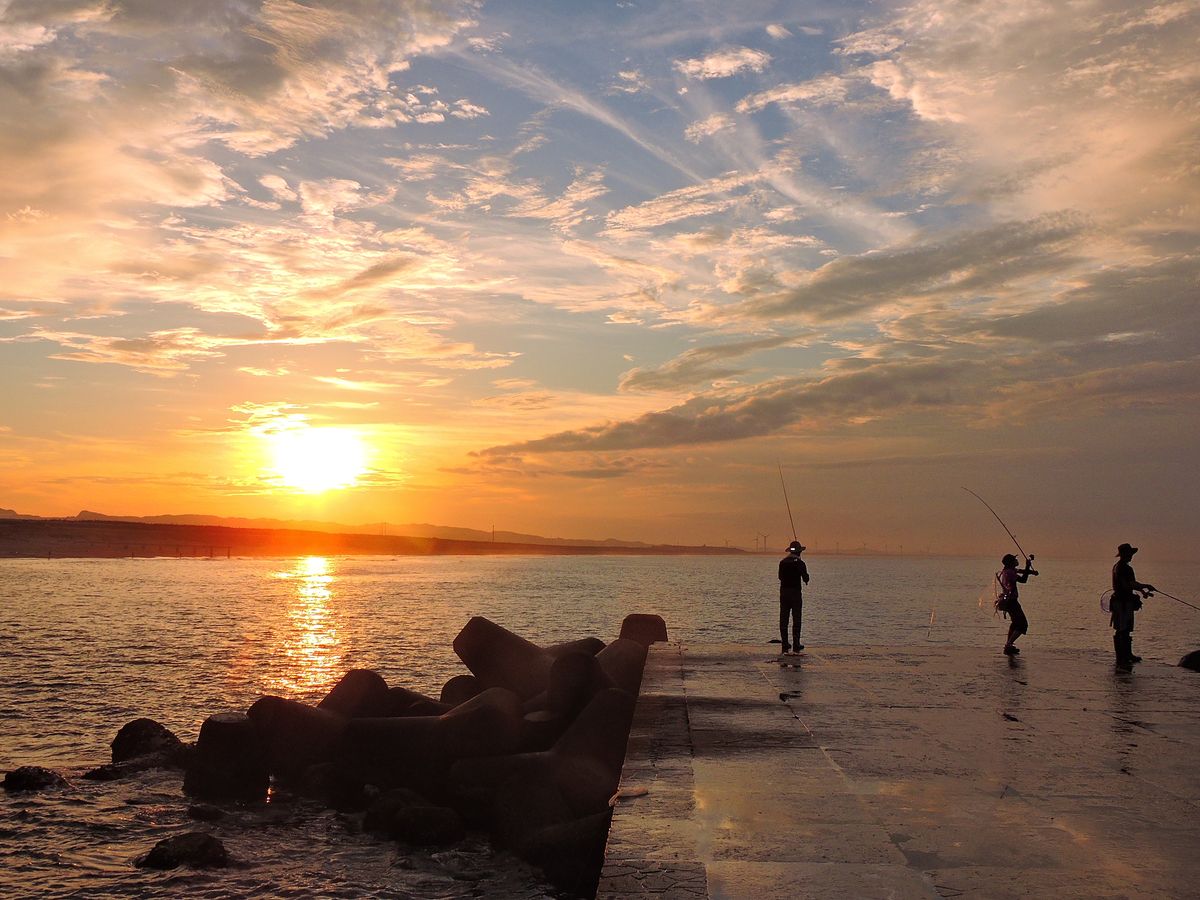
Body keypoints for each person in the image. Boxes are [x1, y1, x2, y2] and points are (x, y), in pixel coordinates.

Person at [1111, 542, 1154, 667]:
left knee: (1124, 629)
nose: (1131, 556)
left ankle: (1125, 655)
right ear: (1125, 554)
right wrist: (1146, 586)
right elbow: (1129, 584)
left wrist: (1142, 591)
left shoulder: (1118, 567)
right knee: (1123, 629)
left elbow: (1129, 584)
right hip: (1122, 603)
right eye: (1129, 554)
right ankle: (1123, 656)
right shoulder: (1125, 568)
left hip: (1120, 601)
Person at [996, 553, 1037, 655]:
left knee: (1015, 623)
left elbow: (1021, 571)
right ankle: (1008, 645)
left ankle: (1008, 645)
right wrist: (1028, 566)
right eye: (1014, 559)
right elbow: (1023, 580)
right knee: (1022, 624)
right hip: (1011, 602)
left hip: (1009, 601)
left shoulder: (1006, 571)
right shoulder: (1010, 572)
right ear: (1011, 562)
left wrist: (1031, 571)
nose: (1016, 561)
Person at [778, 540, 809, 654]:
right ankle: (796, 643)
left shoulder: (783, 562)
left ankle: (785, 643)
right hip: (795, 593)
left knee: (784, 619)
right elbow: (806, 578)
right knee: (796, 619)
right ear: (799, 552)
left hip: (784, 593)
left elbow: (780, 577)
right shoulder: (800, 563)